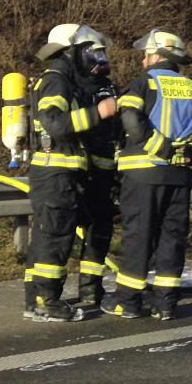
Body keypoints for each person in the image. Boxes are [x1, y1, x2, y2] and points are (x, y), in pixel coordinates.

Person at [103, 30, 192, 320]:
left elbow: (129, 116)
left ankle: (128, 302)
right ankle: (165, 303)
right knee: (172, 237)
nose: (143, 59)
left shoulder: (144, 84)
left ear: (157, 56)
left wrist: (159, 147)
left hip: (144, 173)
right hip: (180, 175)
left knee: (139, 236)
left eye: (147, 54)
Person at [24, 24, 118, 321]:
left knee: (49, 235)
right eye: (88, 51)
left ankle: (37, 299)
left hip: (61, 172)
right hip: (56, 171)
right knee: (56, 236)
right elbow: (54, 122)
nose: (94, 57)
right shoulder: (56, 81)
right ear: (71, 50)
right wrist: (97, 113)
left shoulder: (64, 80)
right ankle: (46, 301)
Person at [72, 29, 120, 312]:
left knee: (99, 231)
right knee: (65, 233)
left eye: (102, 54)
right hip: (75, 171)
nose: (100, 60)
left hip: (103, 171)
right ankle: (48, 293)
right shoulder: (69, 85)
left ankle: (91, 288)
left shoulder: (108, 86)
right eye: (94, 54)